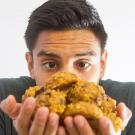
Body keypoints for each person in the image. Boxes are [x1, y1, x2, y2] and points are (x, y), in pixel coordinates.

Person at [0, 0, 134, 135]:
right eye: (50, 64)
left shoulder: (130, 100)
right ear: (31, 65)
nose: (68, 77)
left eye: (83, 64)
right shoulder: (3, 96)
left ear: (102, 65)